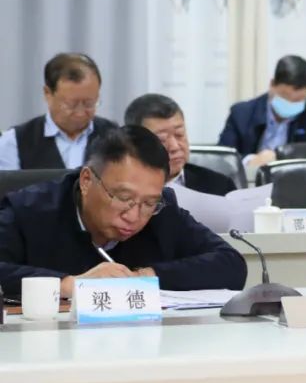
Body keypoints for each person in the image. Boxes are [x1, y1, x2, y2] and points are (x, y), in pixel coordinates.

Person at [0, 125, 247, 297]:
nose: (134, 216)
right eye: (124, 198)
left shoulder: (163, 211)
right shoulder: (28, 210)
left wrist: (145, 277)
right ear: (86, 181)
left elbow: (231, 265)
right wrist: (70, 285)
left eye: (148, 203)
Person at [0, 53, 117, 171]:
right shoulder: (14, 142)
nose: (80, 112)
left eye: (89, 103)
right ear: (48, 94)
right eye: (71, 104)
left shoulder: (116, 138)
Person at [217, 55, 306, 166]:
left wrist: (282, 155)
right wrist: (250, 161)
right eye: (285, 96)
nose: (290, 102)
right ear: (272, 84)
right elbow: (222, 157)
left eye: (298, 100)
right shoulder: (241, 113)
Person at [125, 94, 236, 195]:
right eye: (161, 139)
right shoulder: (121, 188)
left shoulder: (219, 186)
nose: (174, 147)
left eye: (179, 134)